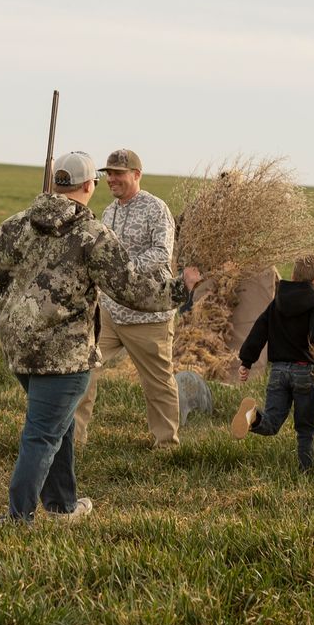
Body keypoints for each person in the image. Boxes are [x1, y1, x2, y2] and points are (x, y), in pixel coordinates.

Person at [0, 151, 172, 522]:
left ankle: (62, 506)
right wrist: (181, 290)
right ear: (89, 185)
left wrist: (26, 291)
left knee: (60, 425)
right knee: (42, 436)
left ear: (54, 183)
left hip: (19, 348)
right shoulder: (92, 234)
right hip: (64, 355)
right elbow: (131, 290)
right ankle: (17, 519)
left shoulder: (16, 224)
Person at [72, 149, 182, 449]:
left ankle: (167, 446)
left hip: (148, 315)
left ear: (137, 175)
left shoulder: (156, 209)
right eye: (109, 173)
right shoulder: (109, 212)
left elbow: (162, 252)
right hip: (109, 312)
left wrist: (125, 270)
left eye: (119, 173)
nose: (112, 179)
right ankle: (74, 440)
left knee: (157, 384)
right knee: (84, 370)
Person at [227, 253, 314, 470]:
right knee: (305, 428)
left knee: (271, 423)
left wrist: (246, 362)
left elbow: (259, 331)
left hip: (278, 372)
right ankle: (305, 470)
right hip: (303, 373)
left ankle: (251, 416)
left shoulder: (276, 302)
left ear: (293, 276)